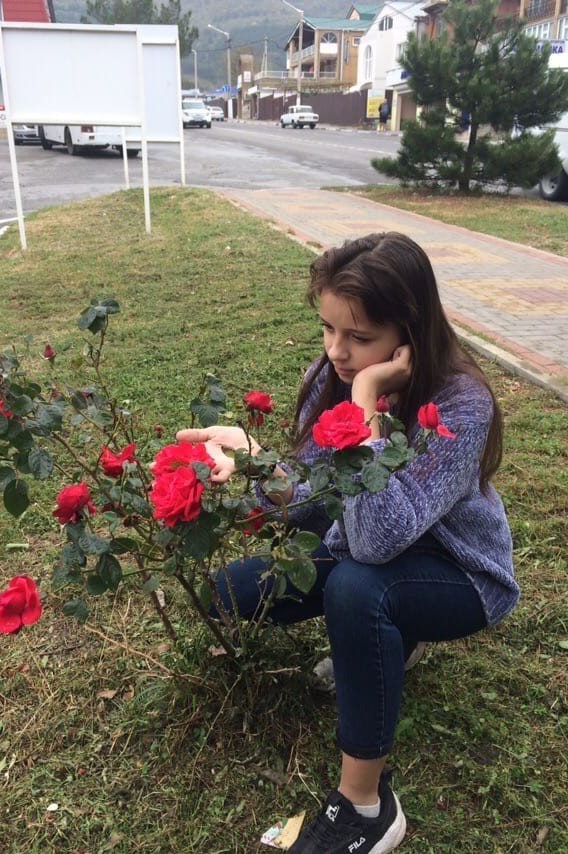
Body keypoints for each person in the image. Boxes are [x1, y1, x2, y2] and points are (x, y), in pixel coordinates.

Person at [177, 233, 519, 853]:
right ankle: (394, 643)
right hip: (374, 547)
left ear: (409, 333)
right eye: (328, 329)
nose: (337, 352)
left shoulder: (460, 405)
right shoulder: (332, 373)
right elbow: (314, 499)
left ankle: (366, 805)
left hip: (460, 575)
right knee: (229, 591)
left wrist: (365, 408)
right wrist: (255, 467)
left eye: (359, 338)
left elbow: (375, 539)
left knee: (359, 589)